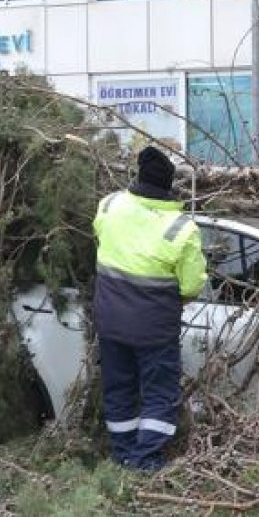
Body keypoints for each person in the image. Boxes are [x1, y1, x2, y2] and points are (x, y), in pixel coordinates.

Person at [92, 146, 207, 472]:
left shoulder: (110, 204)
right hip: (154, 331)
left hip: (110, 323)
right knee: (159, 393)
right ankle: (145, 462)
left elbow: (99, 234)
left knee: (119, 389)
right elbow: (191, 286)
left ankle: (122, 456)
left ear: (138, 176)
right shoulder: (182, 228)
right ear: (168, 186)